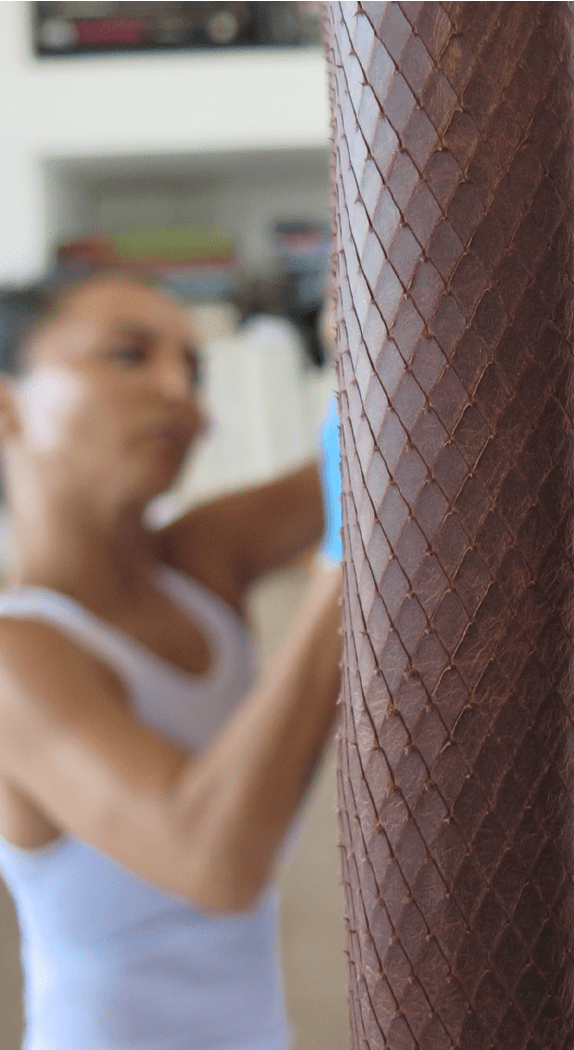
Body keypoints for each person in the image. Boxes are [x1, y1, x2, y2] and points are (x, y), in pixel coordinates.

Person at [0, 271, 344, 1049]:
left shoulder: (202, 558)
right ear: (7, 405)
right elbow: (213, 861)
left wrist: (375, 335)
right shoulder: (14, 653)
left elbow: (377, 456)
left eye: (193, 368)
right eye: (129, 355)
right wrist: (352, 563)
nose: (178, 392)